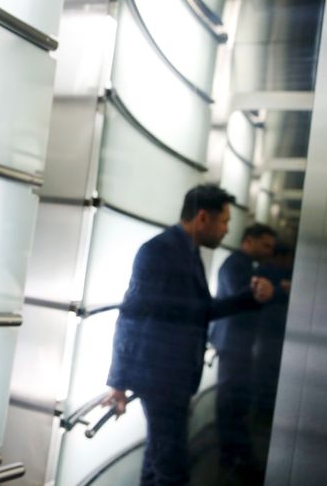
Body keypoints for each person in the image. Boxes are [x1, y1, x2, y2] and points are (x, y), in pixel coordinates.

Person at [103, 185, 274, 485]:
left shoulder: (188, 251)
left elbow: (201, 310)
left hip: (174, 377)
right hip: (160, 379)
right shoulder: (159, 250)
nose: (226, 230)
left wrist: (251, 298)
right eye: (224, 222)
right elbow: (131, 315)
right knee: (173, 468)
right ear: (203, 217)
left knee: (159, 461)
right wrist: (118, 381)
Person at [208, 223, 277, 480]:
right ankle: (233, 457)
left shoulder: (242, 264)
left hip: (235, 342)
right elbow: (238, 299)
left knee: (234, 401)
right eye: (266, 245)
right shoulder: (236, 264)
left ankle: (235, 456)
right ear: (250, 240)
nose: (269, 251)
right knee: (231, 402)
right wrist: (260, 293)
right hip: (232, 342)